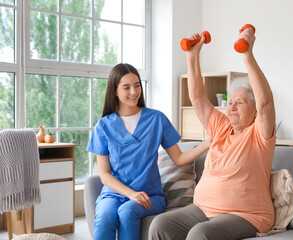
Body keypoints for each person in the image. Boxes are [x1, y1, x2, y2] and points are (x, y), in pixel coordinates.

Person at [149, 27, 276, 240]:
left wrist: (247, 55)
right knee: (160, 225)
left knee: (200, 234)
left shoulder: (259, 135)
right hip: (203, 209)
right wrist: (192, 55)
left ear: (254, 112)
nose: (232, 107)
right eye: (231, 102)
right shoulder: (221, 126)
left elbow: (266, 103)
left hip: (247, 215)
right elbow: (198, 98)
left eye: (240, 102)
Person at [86, 63, 211, 240]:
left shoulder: (156, 119)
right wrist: (130, 194)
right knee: (105, 216)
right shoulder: (104, 126)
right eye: (127, 87)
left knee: (127, 211)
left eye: (137, 85)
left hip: (150, 196)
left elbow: (179, 158)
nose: (134, 92)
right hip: (113, 194)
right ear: (115, 91)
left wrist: (207, 144)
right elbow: (104, 174)